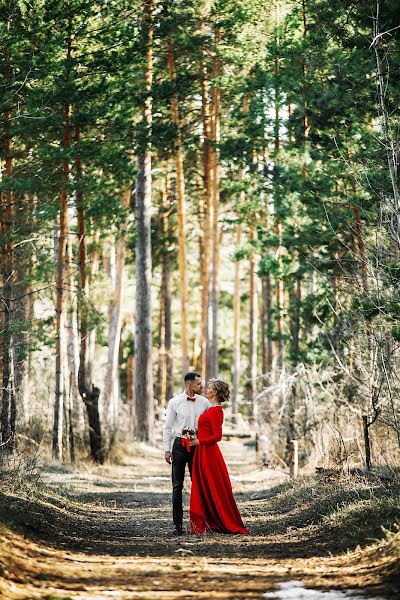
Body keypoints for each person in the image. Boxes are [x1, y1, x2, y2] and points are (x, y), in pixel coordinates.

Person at [189, 379, 249, 535]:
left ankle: (220, 520)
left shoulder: (216, 411)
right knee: (203, 486)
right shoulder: (210, 409)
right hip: (202, 452)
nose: (206, 389)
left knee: (213, 487)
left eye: (209, 388)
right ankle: (209, 520)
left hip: (209, 454)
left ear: (215, 392)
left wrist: (199, 441)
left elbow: (217, 436)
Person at [163, 371, 210, 535]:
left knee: (199, 484)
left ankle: (199, 524)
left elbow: (210, 425)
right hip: (179, 445)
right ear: (189, 385)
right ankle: (177, 525)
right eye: (199, 384)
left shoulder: (205, 403)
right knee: (177, 485)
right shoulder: (175, 402)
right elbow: (168, 427)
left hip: (197, 446)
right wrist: (167, 450)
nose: (202, 386)